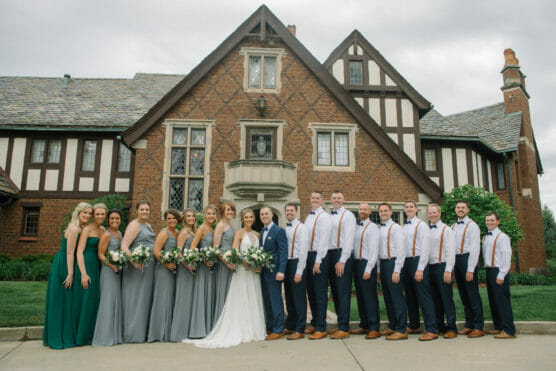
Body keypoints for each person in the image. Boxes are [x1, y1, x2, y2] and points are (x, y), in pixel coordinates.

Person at [183, 208, 266, 348]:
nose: (249, 219)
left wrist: (258, 264)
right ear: (242, 219)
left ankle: (253, 328)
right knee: (241, 298)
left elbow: (259, 252)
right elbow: (235, 252)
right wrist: (246, 262)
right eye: (246, 217)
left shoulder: (257, 235)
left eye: (251, 217)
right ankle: (240, 328)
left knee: (253, 297)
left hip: (254, 272)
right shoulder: (238, 233)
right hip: (243, 269)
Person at [43, 202, 92, 349]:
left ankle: (60, 333)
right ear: (78, 213)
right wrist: (70, 273)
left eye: (89, 213)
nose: (88, 216)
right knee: (61, 300)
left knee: (65, 300)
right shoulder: (74, 228)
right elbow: (70, 252)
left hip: (67, 262)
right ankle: (58, 336)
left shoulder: (80, 228)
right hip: (64, 263)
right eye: (85, 213)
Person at [401, 200, 437, 341]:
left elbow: (425, 248)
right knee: (410, 296)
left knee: (424, 296)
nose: (409, 209)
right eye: (407, 207)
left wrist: (420, 268)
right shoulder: (404, 227)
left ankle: (431, 329)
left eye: (411, 207)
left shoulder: (422, 226)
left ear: (416, 209)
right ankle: (414, 324)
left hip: (417, 261)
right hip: (406, 262)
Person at [121, 200, 156, 343]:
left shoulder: (147, 225)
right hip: (137, 267)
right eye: (142, 209)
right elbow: (124, 246)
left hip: (148, 267)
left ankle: (142, 331)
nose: (144, 212)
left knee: (144, 298)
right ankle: (132, 333)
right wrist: (133, 261)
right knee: (135, 298)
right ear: (137, 211)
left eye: (147, 210)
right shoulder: (134, 225)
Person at [73, 203, 106, 345]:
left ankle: (91, 333)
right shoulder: (87, 229)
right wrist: (83, 273)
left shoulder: (103, 229)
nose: (100, 216)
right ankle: (81, 336)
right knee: (85, 299)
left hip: (98, 265)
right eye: (97, 214)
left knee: (94, 299)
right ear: (93, 215)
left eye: (102, 214)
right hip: (86, 264)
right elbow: (79, 251)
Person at [452, 200, 484, 338]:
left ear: (468, 210)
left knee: (472, 294)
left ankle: (478, 326)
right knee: (463, 295)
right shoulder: (452, 226)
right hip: (456, 260)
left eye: (463, 207)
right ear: (455, 210)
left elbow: (475, 249)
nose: (460, 209)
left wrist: (471, 269)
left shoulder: (472, 226)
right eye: (458, 207)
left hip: (467, 259)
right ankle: (469, 324)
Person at [148, 209, 181, 342]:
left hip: (174, 269)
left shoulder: (178, 232)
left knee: (170, 297)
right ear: (165, 220)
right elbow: (156, 251)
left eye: (174, 218)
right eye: (169, 218)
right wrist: (166, 264)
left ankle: (168, 330)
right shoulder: (164, 233)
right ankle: (158, 332)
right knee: (163, 298)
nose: (172, 220)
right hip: (163, 269)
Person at [92, 209, 124, 347]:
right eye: (112, 219)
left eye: (117, 218)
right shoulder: (106, 235)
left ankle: (115, 335)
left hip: (117, 270)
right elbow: (100, 255)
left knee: (115, 300)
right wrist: (111, 266)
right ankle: (104, 336)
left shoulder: (120, 233)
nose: (115, 221)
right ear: (108, 220)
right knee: (108, 301)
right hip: (108, 271)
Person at [483, 212, 516, 339]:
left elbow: (506, 256)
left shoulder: (502, 237)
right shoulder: (486, 237)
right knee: (494, 300)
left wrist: (501, 274)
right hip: (489, 271)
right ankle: (499, 326)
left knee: (502, 301)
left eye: (492, 220)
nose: (489, 222)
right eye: (487, 220)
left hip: (499, 271)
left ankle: (509, 330)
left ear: (498, 221)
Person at [327, 190, 356, 339]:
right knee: (335, 292)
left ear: (343, 200)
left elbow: (349, 239)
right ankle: (340, 324)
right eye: (334, 198)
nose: (336, 200)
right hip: (330, 255)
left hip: (341, 255)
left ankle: (344, 327)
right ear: (330, 200)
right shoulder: (329, 216)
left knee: (343, 292)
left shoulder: (348, 216)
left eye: (339, 198)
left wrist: (342, 260)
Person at [304, 190, 332, 340]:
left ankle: (321, 327)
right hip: (308, 255)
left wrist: (318, 260)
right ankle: (314, 322)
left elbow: (324, 240)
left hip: (318, 256)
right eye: (312, 197)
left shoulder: (324, 217)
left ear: (322, 200)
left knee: (320, 293)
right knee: (311, 292)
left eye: (317, 198)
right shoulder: (309, 217)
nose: (314, 200)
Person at [427, 204, 458, 339]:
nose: (432, 215)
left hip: (442, 266)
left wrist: (448, 269)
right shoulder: (427, 229)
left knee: (446, 298)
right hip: (430, 267)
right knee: (435, 299)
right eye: (430, 213)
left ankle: (452, 327)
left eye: (434, 212)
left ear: (439, 213)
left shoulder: (446, 229)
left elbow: (451, 250)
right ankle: (440, 325)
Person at [378, 203, 408, 340]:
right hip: (383, 264)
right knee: (388, 297)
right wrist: (379, 269)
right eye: (381, 211)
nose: (383, 213)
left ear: (391, 212)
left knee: (396, 296)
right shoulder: (380, 229)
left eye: (386, 211)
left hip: (393, 263)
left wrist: (397, 270)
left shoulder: (396, 228)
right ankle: (393, 325)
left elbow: (401, 251)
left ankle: (402, 329)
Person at [350, 203, 380, 339]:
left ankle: (374, 327)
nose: (362, 211)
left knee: (369, 296)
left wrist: (369, 268)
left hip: (367, 263)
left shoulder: (372, 228)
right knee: (360, 296)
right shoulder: (356, 228)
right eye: (360, 209)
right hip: (356, 263)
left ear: (370, 212)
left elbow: (374, 251)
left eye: (365, 209)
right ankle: (364, 324)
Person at [188, 205, 218, 338]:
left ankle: (209, 327)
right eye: (209, 213)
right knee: (202, 294)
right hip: (204, 267)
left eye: (213, 214)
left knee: (210, 294)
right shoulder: (202, 228)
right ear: (204, 215)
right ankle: (198, 329)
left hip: (212, 267)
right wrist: (204, 259)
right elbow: (193, 247)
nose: (211, 216)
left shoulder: (213, 229)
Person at [259, 206, 288, 340]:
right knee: (267, 300)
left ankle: (279, 328)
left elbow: (283, 252)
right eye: (262, 214)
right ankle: (270, 326)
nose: (264, 216)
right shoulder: (261, 231)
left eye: (266, 214)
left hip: (274, 271)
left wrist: (281, 270)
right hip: (263, 272)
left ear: (272, 215)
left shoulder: (279, 231)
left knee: (276, 300)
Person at [170, 208, 197, 342]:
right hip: (185, 269)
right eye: (188, 216)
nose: (191, 218)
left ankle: (187, 330)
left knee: (190, 298)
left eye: (193, 216)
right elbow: (178, 252)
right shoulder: (184, 232)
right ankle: (178, 332)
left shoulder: (193, 231)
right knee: (183, 297)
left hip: (192, 268)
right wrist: (187, 265)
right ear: (184, 219)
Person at [283, 203, 308, 340]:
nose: (289, 212)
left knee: (298, 297)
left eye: (291, 210)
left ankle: (300, 328)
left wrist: (299, 271)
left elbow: (304, 251)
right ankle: (291, 325)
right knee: (289, 297)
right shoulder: (286, 228)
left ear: (296, 212)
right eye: (287, 210)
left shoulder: (301, 228)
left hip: (297, 263)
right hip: (287, 263)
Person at [213, 202, 236, 325]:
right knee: (223, 291)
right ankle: (219, 323)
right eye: (228, 210)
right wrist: (226, 262)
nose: (230, 212)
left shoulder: (230, 225)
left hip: (231, 262)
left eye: (232, 210)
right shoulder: (220, 225)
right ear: (222, 212)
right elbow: (216, 248)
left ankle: (227, 322)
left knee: (229, 292)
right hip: (224, 263)